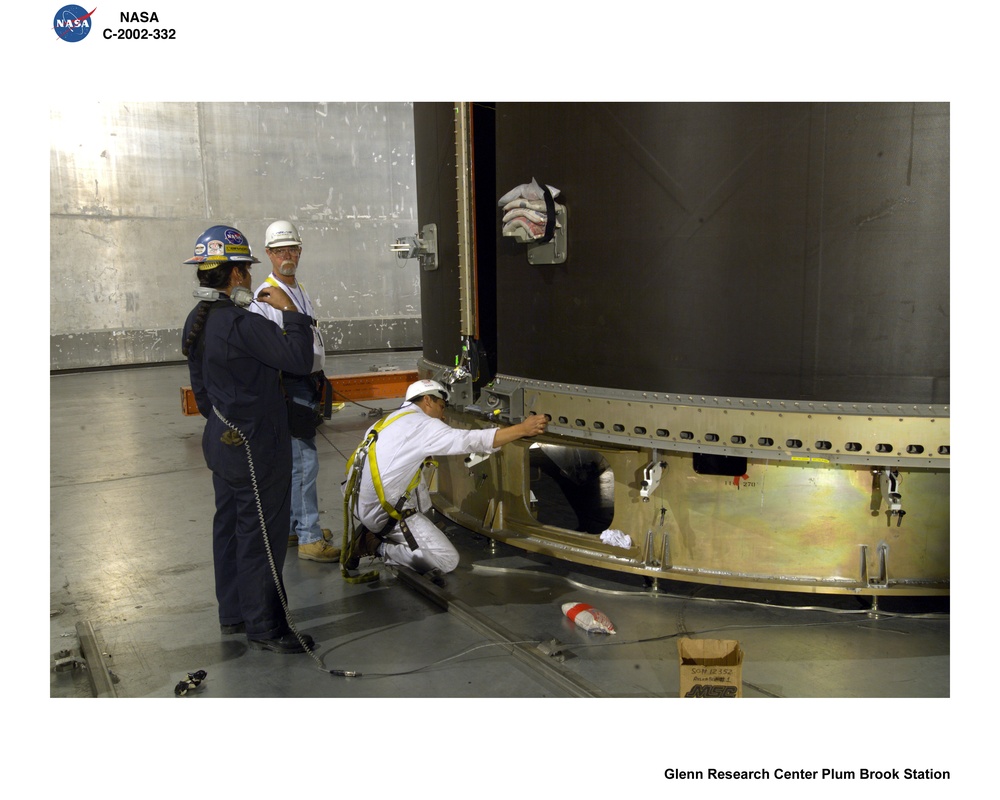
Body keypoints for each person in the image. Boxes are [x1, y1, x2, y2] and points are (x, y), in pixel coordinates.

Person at [181, 224, 316, 654]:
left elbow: (202, 391)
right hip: (257, 445)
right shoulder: (241, 323)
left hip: (223, 441)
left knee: (229, 527)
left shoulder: (198, 320)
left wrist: (227, 424)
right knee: (261, 534)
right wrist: (290, 310)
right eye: (248, 270)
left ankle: (235, 613)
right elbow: (299, 359)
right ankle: (266, 626)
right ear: (237, 274)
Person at [343, 379, 548, 579]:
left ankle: (383, 530)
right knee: (446, 560)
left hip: (358, 502)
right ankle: (375, 545)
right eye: (441, 407)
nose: (443, 415)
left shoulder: (389, 420)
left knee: (418, 480)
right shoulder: (423, 425)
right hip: (383, 513)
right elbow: (470, 441)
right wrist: (522, 429)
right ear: (427, 400)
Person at [251, 220, 341, 563]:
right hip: (288, 385)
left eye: (292, 248)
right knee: (304, 463)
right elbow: (270, 350)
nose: (286, 255)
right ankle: (310, 537)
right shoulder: (266, 297)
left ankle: (294, 526)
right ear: (268, 254)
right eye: (279, 251)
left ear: (300, 251)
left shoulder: (297, 288)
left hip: (305, 382)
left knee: (297, 461)